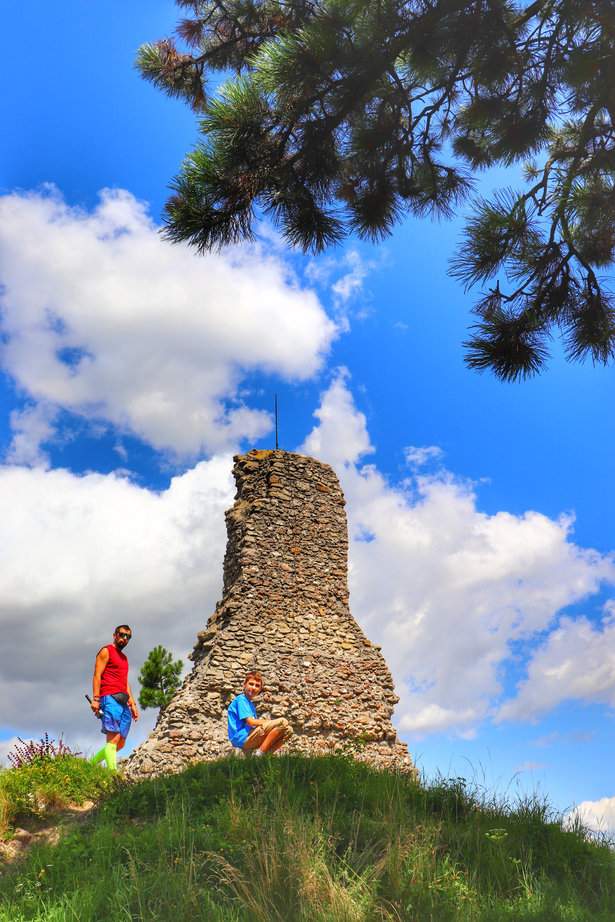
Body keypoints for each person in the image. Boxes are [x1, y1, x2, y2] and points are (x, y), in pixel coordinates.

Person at [89, 625, 139, 770]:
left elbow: (125, 681)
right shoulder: (106, 651)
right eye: (122, 635)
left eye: (128, 637)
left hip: (124, 701)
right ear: (114, 635)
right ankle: (113, 775)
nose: (124, 638)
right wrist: (96, 699)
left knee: (121, 742)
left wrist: (133, 704)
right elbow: (97, 675)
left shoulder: (124, 658)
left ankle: (91, 764)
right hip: (109, 697)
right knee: (113, 738)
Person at [227, 672, 293, 756]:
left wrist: (270, 726)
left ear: (260, 689)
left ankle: (265, 755)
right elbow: (251, 722)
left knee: (288, 730)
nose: (254, 688)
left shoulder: (250, 704)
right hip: (241, 737)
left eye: (257, 686)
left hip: (249, 735)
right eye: (251, 684)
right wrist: (269, 723)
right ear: (244, 685)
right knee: (282, 722)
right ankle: (259, 755)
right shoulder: (241, 699)